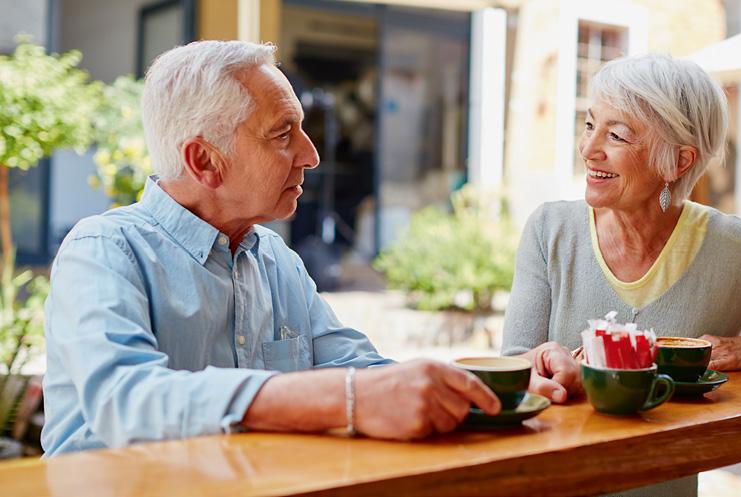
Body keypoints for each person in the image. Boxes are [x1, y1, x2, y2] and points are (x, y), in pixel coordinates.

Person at [41, 40, 578, 456]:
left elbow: (366, 373)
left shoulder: (275, 259)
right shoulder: (104, 250)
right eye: (283, 134)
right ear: (205, 161)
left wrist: (491, 385)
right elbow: (124, 399)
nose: (312, 154)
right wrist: (344, 400)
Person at [501, 53, 741, 497]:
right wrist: (546, 366)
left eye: (616, 135)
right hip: (551, 483)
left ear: (677, 162)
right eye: (590, 125)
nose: (589, 149)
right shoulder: (550, 229)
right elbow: (513, 361)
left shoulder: (734, 249)